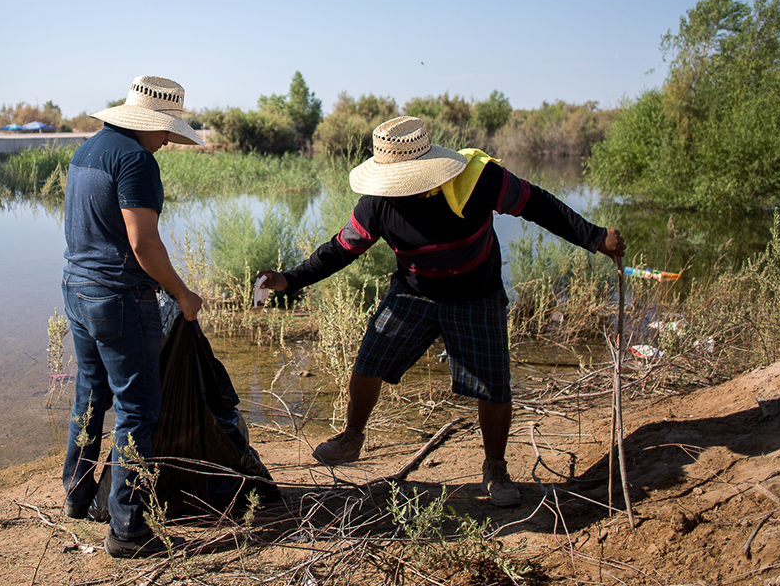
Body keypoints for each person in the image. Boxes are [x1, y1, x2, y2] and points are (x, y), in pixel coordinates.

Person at [258, 115, 624, 507]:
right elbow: (340, 249)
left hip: (477, 295)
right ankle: (352, 437)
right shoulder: (377, 202)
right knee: (369, 363)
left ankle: (495, 468)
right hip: (414, 294)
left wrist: (594, 236)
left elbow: (537, 204)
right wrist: (289, 279)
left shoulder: (478, 179)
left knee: (493, 384)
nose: (401, 191)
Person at [61, 75, 205, 558]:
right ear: (148, 123)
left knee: (90, 395)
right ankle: (127, 531)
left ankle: (77, 496)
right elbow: (144, 244)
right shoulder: (136, 160)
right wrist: (183, 294)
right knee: (137, 408)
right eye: (166, 130)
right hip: (118, 297)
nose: (167, 140)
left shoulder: (88, 150)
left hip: (75, 287)